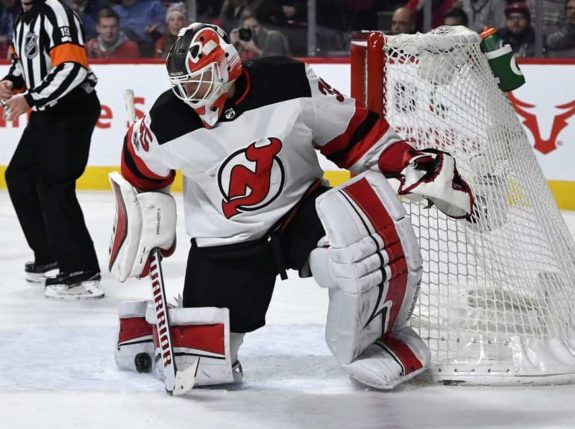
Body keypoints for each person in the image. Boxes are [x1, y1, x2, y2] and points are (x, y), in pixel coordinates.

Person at [110, 23, 474, 391]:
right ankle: (165, 325)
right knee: (206, 369)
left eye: (199, 81)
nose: (190, 94)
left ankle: (375, 343)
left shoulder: (288, 81)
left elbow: (354, 134)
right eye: (183, 84)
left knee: (356, 255)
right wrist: (149, 208)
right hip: (226, 238)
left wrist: (406, 162)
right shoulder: (165, 120)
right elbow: (137, 169)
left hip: (302, 210)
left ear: (227, 66)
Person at [0, 0, 103, 300]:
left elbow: (73, 69)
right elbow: (23, 61)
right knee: (20, 175)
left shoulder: (55, 10)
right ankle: (50, 255)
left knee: (54, 184)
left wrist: (29, 99)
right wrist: (11, 82)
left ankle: (81, 271)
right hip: (48, 111)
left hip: (72, 109)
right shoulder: (22, 19)